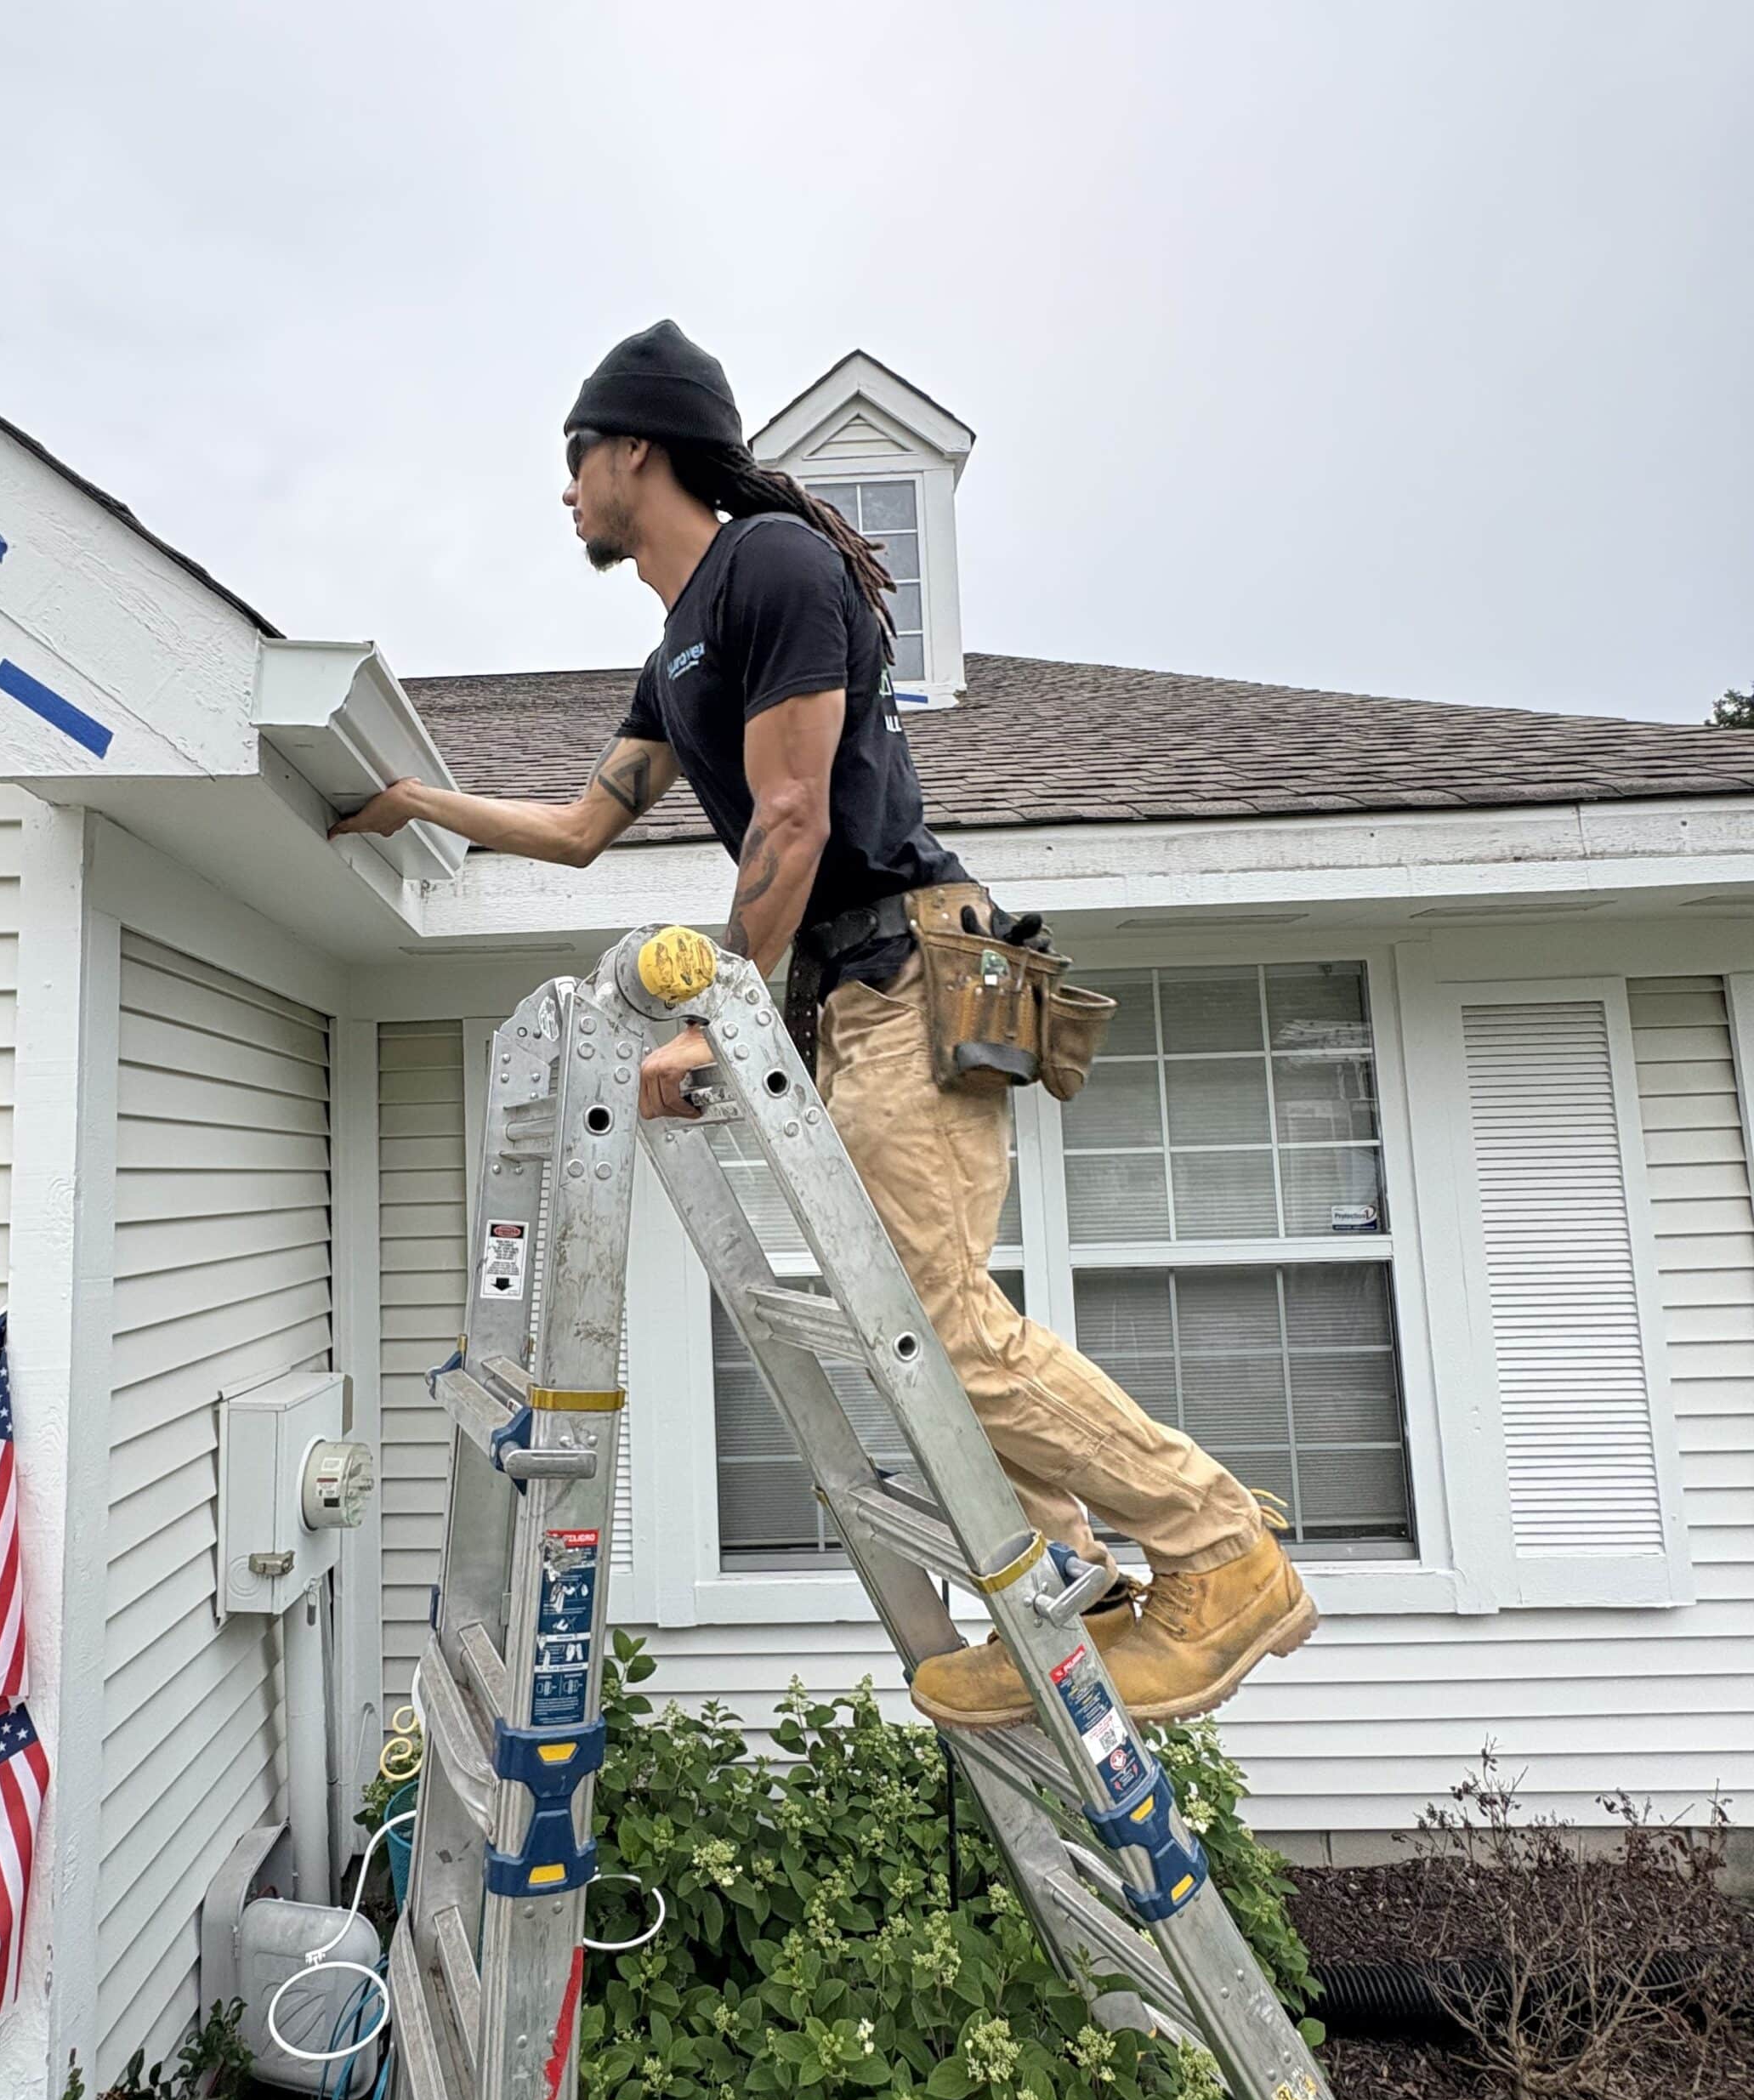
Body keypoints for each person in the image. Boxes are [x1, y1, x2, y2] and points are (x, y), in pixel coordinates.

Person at [332, 321, 1316, 1727]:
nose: (563, 494)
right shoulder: (678, 648)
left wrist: (708, 1020)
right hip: (850, 999)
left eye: (574, 460)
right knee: (911, 1323)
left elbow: (791, 818)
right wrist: (418, 803)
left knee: (935, 1326)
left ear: (636, 450)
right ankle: (1075, 1589)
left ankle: (1220, 1555)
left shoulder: (769, 567)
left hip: (915, 969)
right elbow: (576, 829)